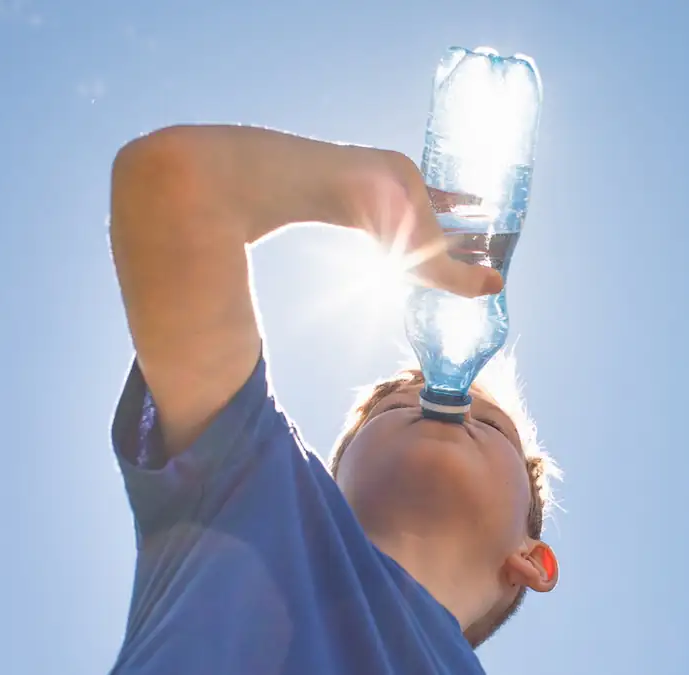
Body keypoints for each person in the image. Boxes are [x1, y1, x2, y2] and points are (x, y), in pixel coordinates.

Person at [106, 124, 562, 674]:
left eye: (492, 426)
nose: (447, 401)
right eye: (392, 408)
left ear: (533, 560)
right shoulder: (252, 490)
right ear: (332, 480)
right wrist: (356, 185)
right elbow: (176, 186)